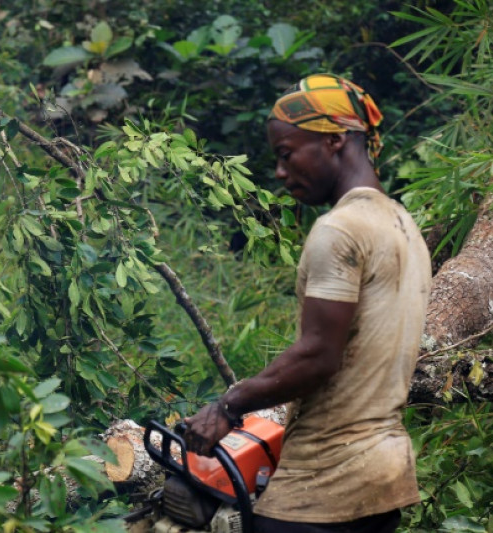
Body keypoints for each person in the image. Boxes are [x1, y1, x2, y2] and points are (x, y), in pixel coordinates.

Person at [182, 74, 432, 533]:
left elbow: (319, 355)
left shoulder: (340, 230)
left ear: (335, 139)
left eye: (286, 154)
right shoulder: (403, 225)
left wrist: (227, 405)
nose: (280, 172)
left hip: (324, 483)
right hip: (385, 475)